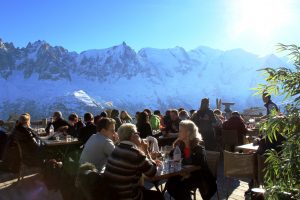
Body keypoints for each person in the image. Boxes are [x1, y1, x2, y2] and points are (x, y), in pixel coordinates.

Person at [103, 123, 164, 200]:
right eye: (137, 133)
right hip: (128, 196)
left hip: (113, 194)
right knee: (158, 196)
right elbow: (152, 172)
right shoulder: (135, 153)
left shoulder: (116, 149)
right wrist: (146, 151)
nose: (139, 135)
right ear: (132, 136)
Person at [166, 120, 217, 200]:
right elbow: (171, 155)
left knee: (180, 187)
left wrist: (186, 145)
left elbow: (195, 163)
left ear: (188, 133)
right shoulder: (180, 144)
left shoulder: (198, 146)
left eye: (180, 131)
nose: (178, 132)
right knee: (170, 184)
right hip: (183, 173)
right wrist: (176, 145)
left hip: (199, 176)